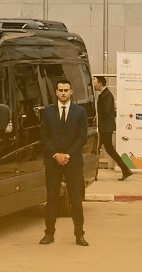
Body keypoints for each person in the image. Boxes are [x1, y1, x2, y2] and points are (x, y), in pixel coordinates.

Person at [39, 79, 88, 247]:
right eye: (60, 90)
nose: (63, 93)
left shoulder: (80, 112)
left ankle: (79, 235)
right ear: (56, 92)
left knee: (75, 200)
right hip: (53, 162)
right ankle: (49, 234)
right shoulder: (48, 111)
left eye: (66, 90)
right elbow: (44, 135)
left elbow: (82, 137)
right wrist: (55, 155)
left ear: (72, 91)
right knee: (51, 198)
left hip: (73, 161)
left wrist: (67, 155)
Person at [94, 76, 132, 180]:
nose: (94, 84)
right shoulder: (104, 94)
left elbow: (105, 112)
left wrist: (96, 114)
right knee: (98, 150)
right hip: (104, 128)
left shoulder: (107, 95)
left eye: (95, 81)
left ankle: (125, 170)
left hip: (106, 128)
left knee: (107, 150)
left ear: (100, 83)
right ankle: (95, 175)